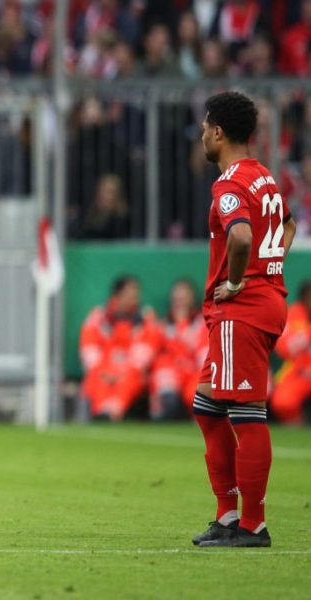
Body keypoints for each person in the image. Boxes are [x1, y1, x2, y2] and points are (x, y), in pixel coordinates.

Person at [191, 91, 295, 548]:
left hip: (243, 309)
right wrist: (271, 266)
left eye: (203, 127)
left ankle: (252, 523)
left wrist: (237, 281)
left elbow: (240, 237)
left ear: (217, 131)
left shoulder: (230, 183)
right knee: (208, 407)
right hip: (263, 300)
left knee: (246, 413)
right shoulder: (264, 177)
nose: (201, 135)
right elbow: (288, 226)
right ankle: (228, 514)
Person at [79, 275, 162, 421]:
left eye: (136, 295)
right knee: (97, 375)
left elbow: (145, 353)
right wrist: (107, 369)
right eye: (130, 294)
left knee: (130, 374)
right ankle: (101, 412)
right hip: (103, 369)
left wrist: (120, 370)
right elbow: (89, 350)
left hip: (131, 371)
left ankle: (112, 412)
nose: (134, 298)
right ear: (117, 296)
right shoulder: (98, 316)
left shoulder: (146, 318)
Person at [149, 279, 208, 420]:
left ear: (192, 298)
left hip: (194, 372)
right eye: (177, 297)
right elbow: (153, 353)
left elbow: (204, 356)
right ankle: (164, 408)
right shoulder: (162, 325)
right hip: (172, 373)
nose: (180, 300)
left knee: (198, 398)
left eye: (184, 296)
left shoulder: (202, 323)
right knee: (163, 368)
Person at [270, 281, 311, 424]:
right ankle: (298, 430)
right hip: (300, 374)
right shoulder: (295, 313)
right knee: (283, 401)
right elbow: (284, 348)